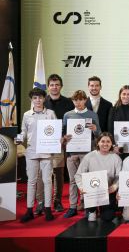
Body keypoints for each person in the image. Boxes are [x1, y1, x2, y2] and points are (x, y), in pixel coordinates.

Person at [18, 88, 57, 222]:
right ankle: (29, 210)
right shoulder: (27, 115)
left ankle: (47, 209)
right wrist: (18, 138)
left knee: (47, 181)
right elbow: (23, 132)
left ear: (44, 98)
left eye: (40, 97)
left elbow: (55, 132)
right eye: (35, 98)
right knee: (31, 181)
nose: (38, 100)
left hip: (46, 152)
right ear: (31, 99)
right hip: (32, 152)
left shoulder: (51, 113)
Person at [61, 90, 101, 218]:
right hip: (72, 153)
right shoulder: (67, 115)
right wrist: (64, 138)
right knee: (72, 180)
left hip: (87, 153)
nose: (78, 102)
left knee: (86, 180)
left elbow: (99, 135)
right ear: (72, 101)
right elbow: (63, 135)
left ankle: (86, 206)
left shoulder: (92, 115)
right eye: (75, 100)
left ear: (85, 100)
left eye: (80, 99)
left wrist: (95, 130)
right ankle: (72, 207)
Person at [42, 74, 74, 213]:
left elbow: (71, 122)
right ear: (48, 87)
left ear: (61, 86)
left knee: (58, 172)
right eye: (52, 85)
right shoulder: (41, 102)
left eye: (57, 84)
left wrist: (65, 137)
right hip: (44, 143)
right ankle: (43, 201)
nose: (54, 87)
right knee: (43, 173)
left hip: (60, 142)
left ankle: (57, 201)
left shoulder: (68, 102)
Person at [75, 132, 122, 222]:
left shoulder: (116, 158)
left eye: (108, 141)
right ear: (98, 143)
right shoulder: (89, 157)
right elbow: (78, 175)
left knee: (107, 217)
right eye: (102, 141)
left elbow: (119, 177)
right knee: (91, 218)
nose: (105, 144)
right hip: (92, 192)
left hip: (108, 191)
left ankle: (107, 209)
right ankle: (92, 211)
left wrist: (115, 186)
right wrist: (82, 187)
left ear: (111, 143)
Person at [108, 85, 129, 150]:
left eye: (128, 94)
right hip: (117, 146)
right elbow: (110, 128)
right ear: (120, 95)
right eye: (124, 94)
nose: (126, 96)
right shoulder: (113, 110)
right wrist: (113, 145)